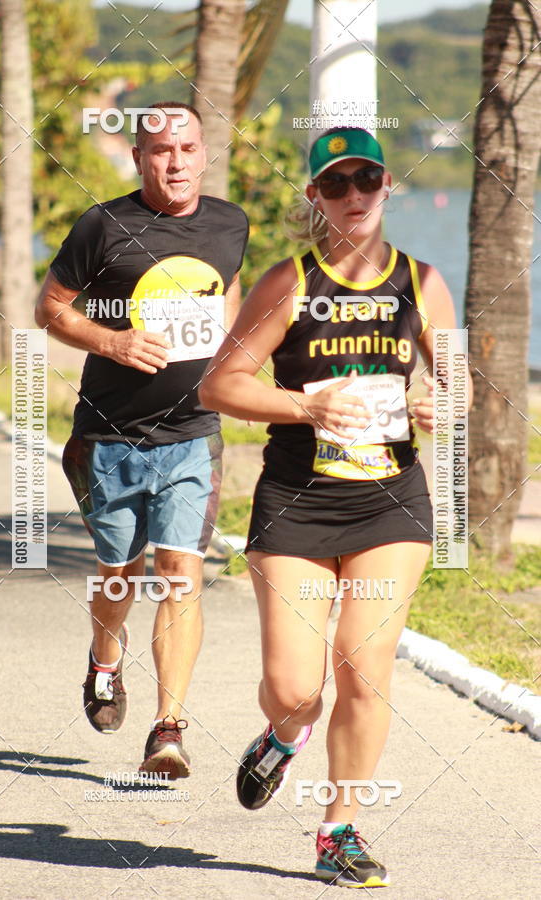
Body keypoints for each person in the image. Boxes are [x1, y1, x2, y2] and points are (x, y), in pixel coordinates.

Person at [200, 126, 472, 886]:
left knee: (363, 662)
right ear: (314, 196)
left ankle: (339, 829)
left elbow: (460, 385)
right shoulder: (288, 285)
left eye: (367, 180)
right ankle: (282, 738)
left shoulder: (423, 282)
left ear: (389, 187)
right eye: (336, 183)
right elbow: (221, 386)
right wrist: (304, 408)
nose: (354, 196)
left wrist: (434, 399)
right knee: (297, 689)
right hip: (297, 506)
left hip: (390, 504)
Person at [35, 101, 249, 778]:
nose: (176, 162)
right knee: (119, 575)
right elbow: (51, 309)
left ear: (205, 153)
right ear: (139, 158)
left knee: (180, 575)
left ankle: (168, 729)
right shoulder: (104, 226)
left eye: (187, 148)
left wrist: (228, 365)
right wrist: (113, 341)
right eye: (161, 151)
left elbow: (228, 292)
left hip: (193, 434)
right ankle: (105, 654)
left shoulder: (229, 224)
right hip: (110, 435)